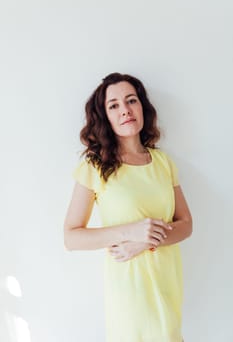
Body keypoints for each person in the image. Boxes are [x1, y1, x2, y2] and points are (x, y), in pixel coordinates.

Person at [63, 72, 193, 342]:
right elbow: (71, 236)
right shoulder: (95, 166)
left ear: (142, 107)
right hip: (130, 293)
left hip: (168, 286)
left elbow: (186, 224)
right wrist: (129, 232)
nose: (125, 110)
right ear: (105, 117)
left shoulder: (162, 162)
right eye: (114, 105)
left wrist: (146, 242)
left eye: (131, 100)